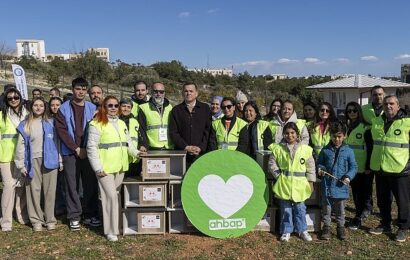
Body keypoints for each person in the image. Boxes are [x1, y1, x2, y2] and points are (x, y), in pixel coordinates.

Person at [87, 96, 141, 242]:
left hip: (120, 167)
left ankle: (113, 226)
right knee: (110, 197)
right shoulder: (96, 124)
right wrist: (98, 168)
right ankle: (111, 230)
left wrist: (137, 153)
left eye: (116, 105)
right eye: (109, 105)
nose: (113, 108)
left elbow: (128, 143)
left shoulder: (122, 123)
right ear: (104, 107)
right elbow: (91, 148)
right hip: (105, 168)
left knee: (113, 196)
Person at [55, 77, 100, 231]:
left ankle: (89, 214)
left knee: (90, 184)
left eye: (83, 89)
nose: (81, 92)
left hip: (88, 152)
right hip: (70, 152)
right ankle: (74, 216)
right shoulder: (63, 109)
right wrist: (75, 148)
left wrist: (86, 149)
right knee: (71, 185)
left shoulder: (92, 107)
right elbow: (62, 131)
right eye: (78, 89)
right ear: (73, 89)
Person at [14, 98, 62, 231]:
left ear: (45, 107)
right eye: (36, 105)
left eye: (41, 105)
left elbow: (57, 143)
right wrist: (21, 165)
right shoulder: (25, 124)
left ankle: (50, 219)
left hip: (50, 159)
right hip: (32, 160)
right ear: (31, 107)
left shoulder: (51, 123)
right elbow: (20, 146)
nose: (38, 107)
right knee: (33, 190)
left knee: (50, 191)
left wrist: (60, 160)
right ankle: (36, 221)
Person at [369, 95, 410, 242]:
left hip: (400, 168)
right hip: (380, 167)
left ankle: (404, 227)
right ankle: (385, 223)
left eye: (392, 103)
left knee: (402, 201)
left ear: (398, 105)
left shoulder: (407, 123)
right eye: (386, 104)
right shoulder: (376, 121)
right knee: (383, 199)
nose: (388, 106)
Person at [268, 122, 316, 242]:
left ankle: (302, 230)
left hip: (300, 184)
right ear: (283, 134)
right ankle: (286, 230)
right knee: (285, 208)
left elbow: (310, 167)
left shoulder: (305, 149)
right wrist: (278, 176)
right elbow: (272, 163)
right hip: (284, 183)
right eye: (287, 133)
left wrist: (311, 182)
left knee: (300, 208)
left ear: (297, 134)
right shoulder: (278, 148)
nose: (290, 135)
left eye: (292, 133)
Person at [318, 121, 357, 241]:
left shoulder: (348, 151)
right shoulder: (325, 150)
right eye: (334, 136)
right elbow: (320, 163)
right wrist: (321, 169)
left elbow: (353, 166)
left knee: (340, 210)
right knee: (327, 210)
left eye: (339, 136)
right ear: (330, 135)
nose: (337, 139)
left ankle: (341, 227)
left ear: (344, 136)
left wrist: (348, 176)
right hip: (327, 186)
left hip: (341, 187)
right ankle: (327, 227)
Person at [0, 87, 29, 231]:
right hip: (5, 156)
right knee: (8, 186)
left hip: (23, 155)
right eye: (10, 98)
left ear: (20, 98)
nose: (13, 100)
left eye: (16, 97)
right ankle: (6, 221)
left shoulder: (27, 114)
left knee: (21, 186)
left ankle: (21, 214)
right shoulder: (1, 115)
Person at [344, 102, 373, 230]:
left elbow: (370, 148)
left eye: (354, 110)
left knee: (362, 194)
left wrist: (368, 166)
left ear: (359, 112)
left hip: (362, 167)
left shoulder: (365, 128)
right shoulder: (347, 127)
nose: (352, 113)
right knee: (355, 192)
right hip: (351, 167)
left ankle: (359, 217)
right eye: (349, 111)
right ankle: (358, 213)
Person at [169, 82, 211, 168]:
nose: (188, 93)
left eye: (191, 91)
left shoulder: (205, 108)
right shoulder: (176, 110)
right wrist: (186, 147)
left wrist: (201, 147)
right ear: (182, 93)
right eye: (186, 91)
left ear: (196, 93)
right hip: (182, 154)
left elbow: (208, 130)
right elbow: (173, 132)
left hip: (200, 154)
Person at [138, 82, 173, 150]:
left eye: (161, 92)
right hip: (152, 148)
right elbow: (141, 130)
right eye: (155, 91)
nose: (158, 94)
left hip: (169, 147)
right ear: (151, 92)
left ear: (164, 93)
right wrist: (144, 145)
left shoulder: (170, 107)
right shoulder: (143, 108)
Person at [48, 97, 66, 215]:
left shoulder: (64, 120)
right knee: (54, 184)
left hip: (63, 155)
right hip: (51, 155)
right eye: (53, 105)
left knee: (62, 183)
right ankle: (56, 206)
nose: (55, 107)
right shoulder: (47, 120)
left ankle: (62, 205)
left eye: (58, 105)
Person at [119, 98, 144, 176]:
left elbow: (139, 136)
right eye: (123, 106)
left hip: (134, 158)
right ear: (119, 107)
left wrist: (142, 145)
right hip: (121, 158)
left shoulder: (135, 121)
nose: (126, 109)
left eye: (128, 107)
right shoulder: (116, 121)